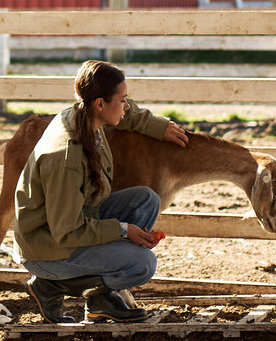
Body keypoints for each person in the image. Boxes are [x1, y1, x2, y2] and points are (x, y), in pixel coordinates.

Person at [13, 59, 189, 323]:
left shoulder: (83, 114)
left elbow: (125, 114)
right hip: (47, 249)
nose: (127, 106)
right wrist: (122, 230)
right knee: (141, 264)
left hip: (72, 221)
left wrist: (156, 126)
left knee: (144, 200)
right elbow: (67, 231)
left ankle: (100, 301)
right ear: (100, 104)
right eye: (123, 100)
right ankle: (50, 285)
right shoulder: (66, 158)